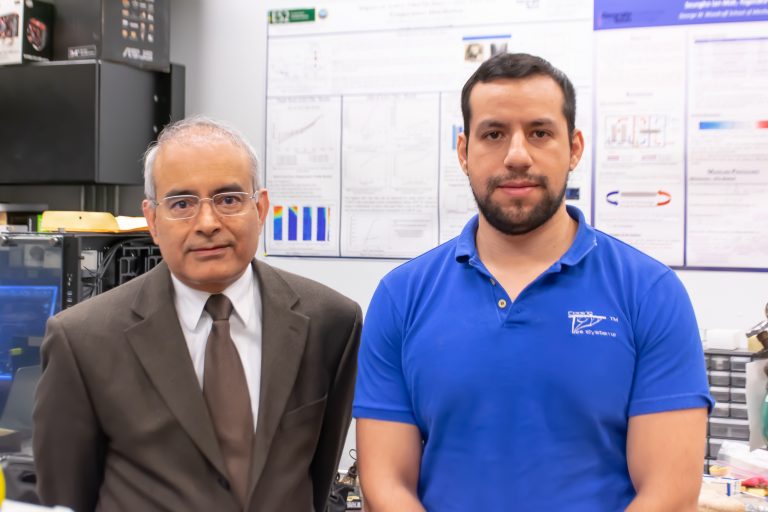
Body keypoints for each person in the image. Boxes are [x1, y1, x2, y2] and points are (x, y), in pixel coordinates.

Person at [353, 53, 713, 512]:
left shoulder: (650, 293)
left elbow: (668, 495)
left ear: (575, 148)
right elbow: (385, 484)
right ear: (464, 152)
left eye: (540, 133)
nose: (517, 155)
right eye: (494, 134)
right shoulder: (401, 296)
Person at [33, 116, 362, 512]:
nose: (207, 223)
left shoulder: (331, 322)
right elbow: (63, 500)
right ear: (152, 220)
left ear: (260, 208)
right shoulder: (82, 340)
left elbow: (319, 475)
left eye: (228, 200)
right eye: (182, 204)